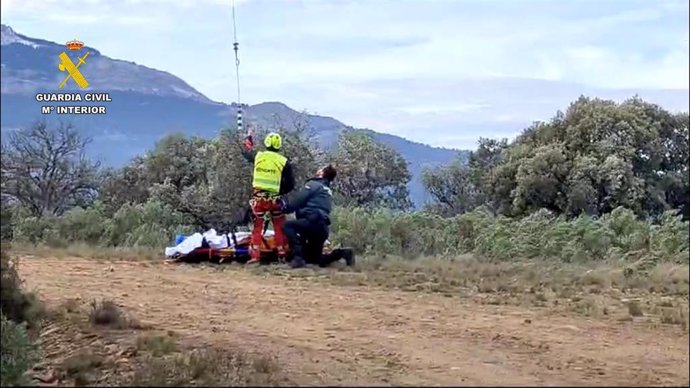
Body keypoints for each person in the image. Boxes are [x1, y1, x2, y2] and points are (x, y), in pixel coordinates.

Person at [242, 130, 295, 264]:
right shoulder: (283, 162)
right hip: (274, 199)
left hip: (258, 199)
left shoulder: (258, 156)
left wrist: (248, 137)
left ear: (266, 143)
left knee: (257, 226)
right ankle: (282, 254)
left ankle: (255, 256)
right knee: (279, 225)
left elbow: (246, 153)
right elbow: (290, 184)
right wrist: (279, 192)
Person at [278, 164, 337, 268]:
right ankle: (342, 254)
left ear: (322, 173)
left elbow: (298, 201)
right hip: (323, 228)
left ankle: (297, 258)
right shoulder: (327, 190)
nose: (318, 169)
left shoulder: (313, 185)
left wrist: (285, 208)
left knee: (288, 226)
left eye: (321, 168)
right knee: (314, 260)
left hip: (311, 222)